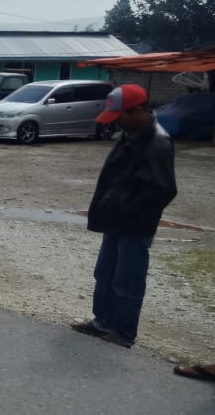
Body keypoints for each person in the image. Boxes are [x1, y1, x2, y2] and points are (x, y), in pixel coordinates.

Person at [71, 84, 177, 348]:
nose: (116, 122)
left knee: (127, 281)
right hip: (116, 221)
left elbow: (162, 191)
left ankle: (124, 332)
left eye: (120, 116)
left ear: (138, 111)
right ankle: (102, 322)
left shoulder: (157, 143)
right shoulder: (131, 135)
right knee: (105, 273)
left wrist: (128, 212)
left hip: (134, 226)